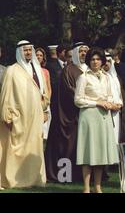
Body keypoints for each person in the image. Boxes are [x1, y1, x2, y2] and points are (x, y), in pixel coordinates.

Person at [0, 40, 49, 188]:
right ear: (19, 52)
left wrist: (45, 110)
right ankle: (14, 180)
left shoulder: (38, 71)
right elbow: (6, 95)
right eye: (25, 50)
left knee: (34, 147)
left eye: (30, 50)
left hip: (35, 116)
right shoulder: (12, 70)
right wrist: (6, 116)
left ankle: (34, 180)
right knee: (15, 149)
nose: (28, 52)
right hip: (18, 117)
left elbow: (44, 93)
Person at [74, 48, 120, 193]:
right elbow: (78, 100)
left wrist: (112, 103)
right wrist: (97, 103)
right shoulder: (84, 77)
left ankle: (98, 186)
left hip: (103, 117)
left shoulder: (107, 77)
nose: (95, 62)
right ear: (89, 61)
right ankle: (86, 188)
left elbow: (110, 95)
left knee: (100, 152)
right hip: (89, 117)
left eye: (98, 59)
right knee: (88, 152)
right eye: (93, 59)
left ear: (102, 61)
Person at [44, 42, 89, 182]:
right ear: (76, 53)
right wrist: (89, 100)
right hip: (70, 115)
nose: (84, 54)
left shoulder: (90, 69)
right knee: (67, 146)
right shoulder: (69, 70)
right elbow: (70, 92)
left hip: (87, 114)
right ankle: (65, 176)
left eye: (86, 51)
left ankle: (83, 176)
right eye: (81, 51)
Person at [103, 51, 124, 143]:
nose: (106, 64)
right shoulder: (99, 77)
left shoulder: (116, 77)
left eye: (108, 61)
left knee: (116, 139)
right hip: (105, 112)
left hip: (116, 113)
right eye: (104, 61)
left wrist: (119, 105)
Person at [35, 47, 52, 142]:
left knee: (44, 126)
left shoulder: (46, 71)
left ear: (43, 58)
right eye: (37, 55)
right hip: (34, 101)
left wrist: (47, 101)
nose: (38, 57)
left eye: (40, 55)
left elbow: (49, 88)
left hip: (44, 102)